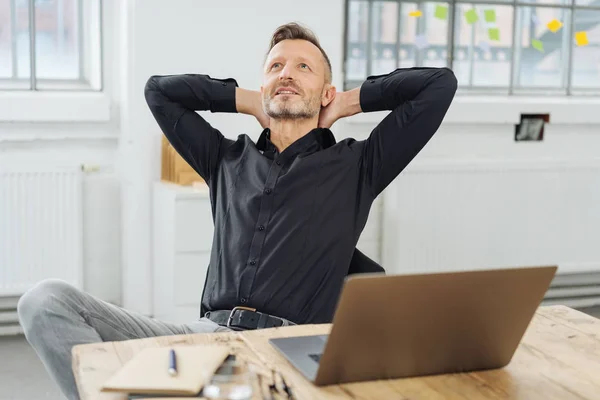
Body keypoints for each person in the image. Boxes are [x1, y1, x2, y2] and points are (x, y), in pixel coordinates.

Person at [17, 22, 457, 399]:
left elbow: (438, 85)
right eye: (276, 67)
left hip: (284, 351)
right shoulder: (224, 158)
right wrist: (250, 101)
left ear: (325, 91)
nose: (287, 74)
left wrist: (348, 101)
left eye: (304, 67)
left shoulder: (357, 165)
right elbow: (159, 92)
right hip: (203, 338)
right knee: (45, 301)